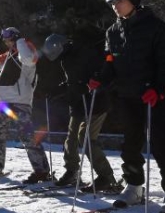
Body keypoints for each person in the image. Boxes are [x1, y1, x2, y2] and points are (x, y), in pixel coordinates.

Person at [92, 0, 165, 213]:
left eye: (120, 1)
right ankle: (134, 187)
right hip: (127, 96)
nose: (116, 6)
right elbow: (109, 62)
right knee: (130, 145)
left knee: (161, 144)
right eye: (113, 3)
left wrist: (160, 89)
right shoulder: (113, 32)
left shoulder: (155, 27)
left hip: (153, 96)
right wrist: (100, 79)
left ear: (135, 0)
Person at [41, 34, 119, 192]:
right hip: (78, 104)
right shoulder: (65, 59)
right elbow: (73, 81)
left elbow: (103, 73)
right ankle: (72, 172)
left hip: (96, 102)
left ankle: (106, 177)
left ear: (62, 46)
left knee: (86, 137)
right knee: (71, 139)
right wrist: (58, 89)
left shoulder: (86, 53)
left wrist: (94, 81)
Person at [0, 27, 51, 183]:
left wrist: (20, 41)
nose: (6, 41)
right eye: (4, 39)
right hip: (1, 100)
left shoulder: (27, 51)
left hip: (20, 101)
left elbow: (28, 59)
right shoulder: (7, 56)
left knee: (27, 136)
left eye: (9, 38)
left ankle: (41, 170)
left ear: (15, 38)